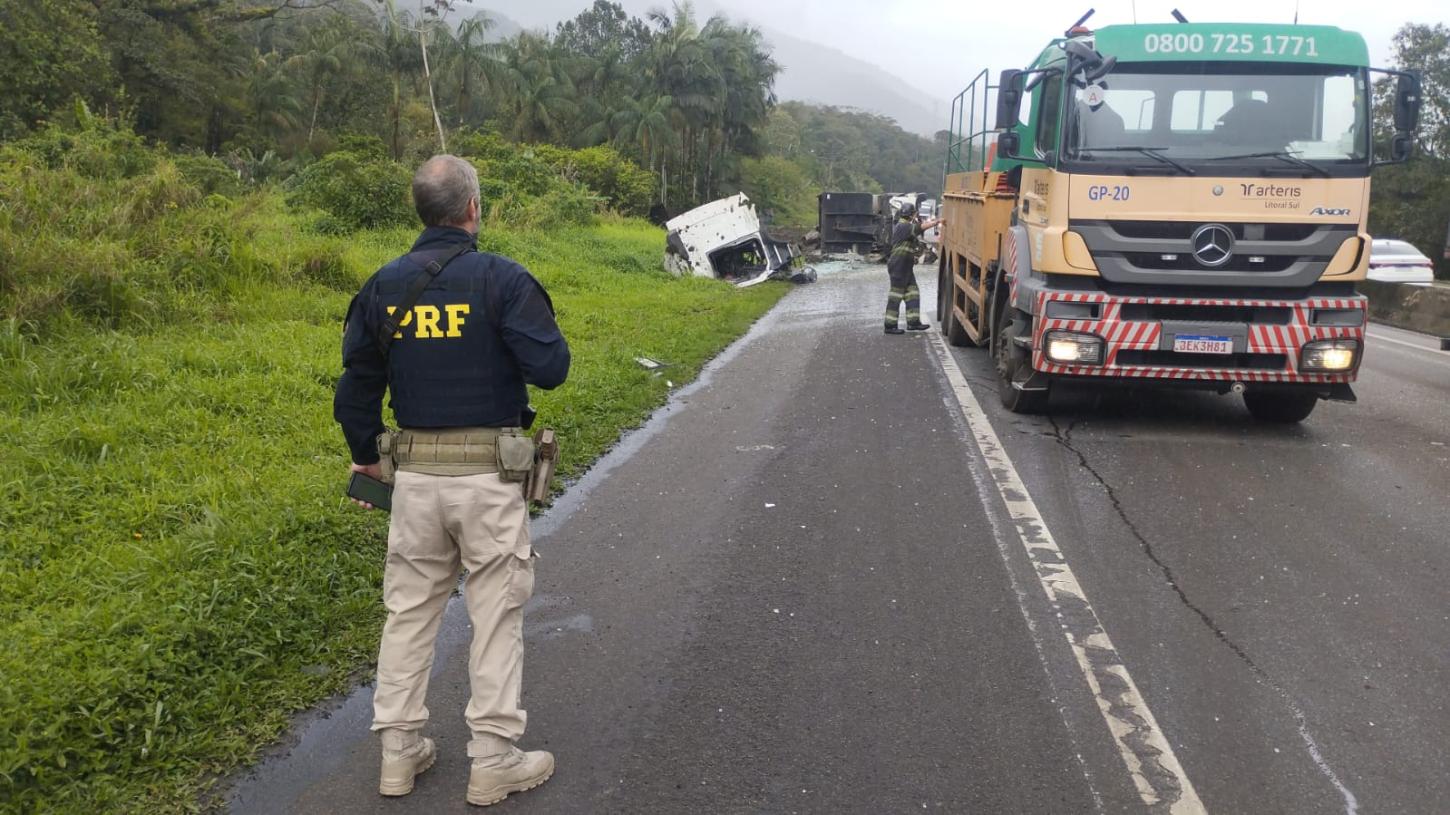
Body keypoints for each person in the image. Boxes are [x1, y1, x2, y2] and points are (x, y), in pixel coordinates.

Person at [334, 155, 570, 806]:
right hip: (488, 479)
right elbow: (550, 368)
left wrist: (365, 456)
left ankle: (397, 752)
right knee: (495, 611)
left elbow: (355, 391)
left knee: (408, 611)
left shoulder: (382, 286)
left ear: (423, 211)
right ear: (473, 208)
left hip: (411, 479)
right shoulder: (503, 279)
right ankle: (494, 758)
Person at [884, 202, 943, 334]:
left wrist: (913, 257)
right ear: (912, 214)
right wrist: (937, 221)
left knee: (912, 293)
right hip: (899, 266)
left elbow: (909, 244)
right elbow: (919, 228)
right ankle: (890, 325)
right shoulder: (904, 226)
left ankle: (913, 322)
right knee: (896, 295)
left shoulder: (903, 225)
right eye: (914, 213)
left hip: (905, 267)